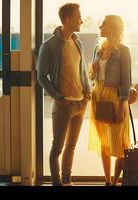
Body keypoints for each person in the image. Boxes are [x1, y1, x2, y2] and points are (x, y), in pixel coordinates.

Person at [37, 3, 91, 186]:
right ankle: (56, 183)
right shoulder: (49, 45)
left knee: (71, 147)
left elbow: (82, 71)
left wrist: (88, 93)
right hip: (63, 105)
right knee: (57, 148)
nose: (81, 20)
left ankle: (67, 180)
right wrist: (57, 97)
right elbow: (41, 77)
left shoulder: (77, 42)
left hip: (80, 104)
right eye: (79, 17)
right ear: (67, 19)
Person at [88, 15, 132, 186]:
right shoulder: (98, 49)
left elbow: (126, 80)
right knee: (104, 142)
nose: (100, 26)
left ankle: (115, 180)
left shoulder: (123, 50)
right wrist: (93, 69)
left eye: (103, 24)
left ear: (112, 27)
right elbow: (93, 76)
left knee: (119, 143)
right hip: (98, 94)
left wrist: (122, 104)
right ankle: (108, 181)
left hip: (115, 97)